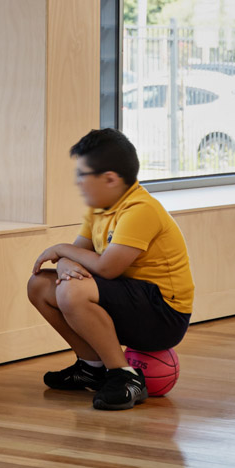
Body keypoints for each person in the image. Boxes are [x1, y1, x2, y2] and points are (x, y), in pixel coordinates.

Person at [27, 128, 194, 411]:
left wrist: (63, 251)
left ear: (110, 179)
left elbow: (108, 268)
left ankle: (125, 376)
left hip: (164, 314)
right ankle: (92, 367)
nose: (78, 182)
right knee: (41, 285)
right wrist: (66, 259)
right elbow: (78, 251)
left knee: (72, 290)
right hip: (131, 301)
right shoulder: (100, 209)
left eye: (83, 174)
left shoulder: (141, 209)